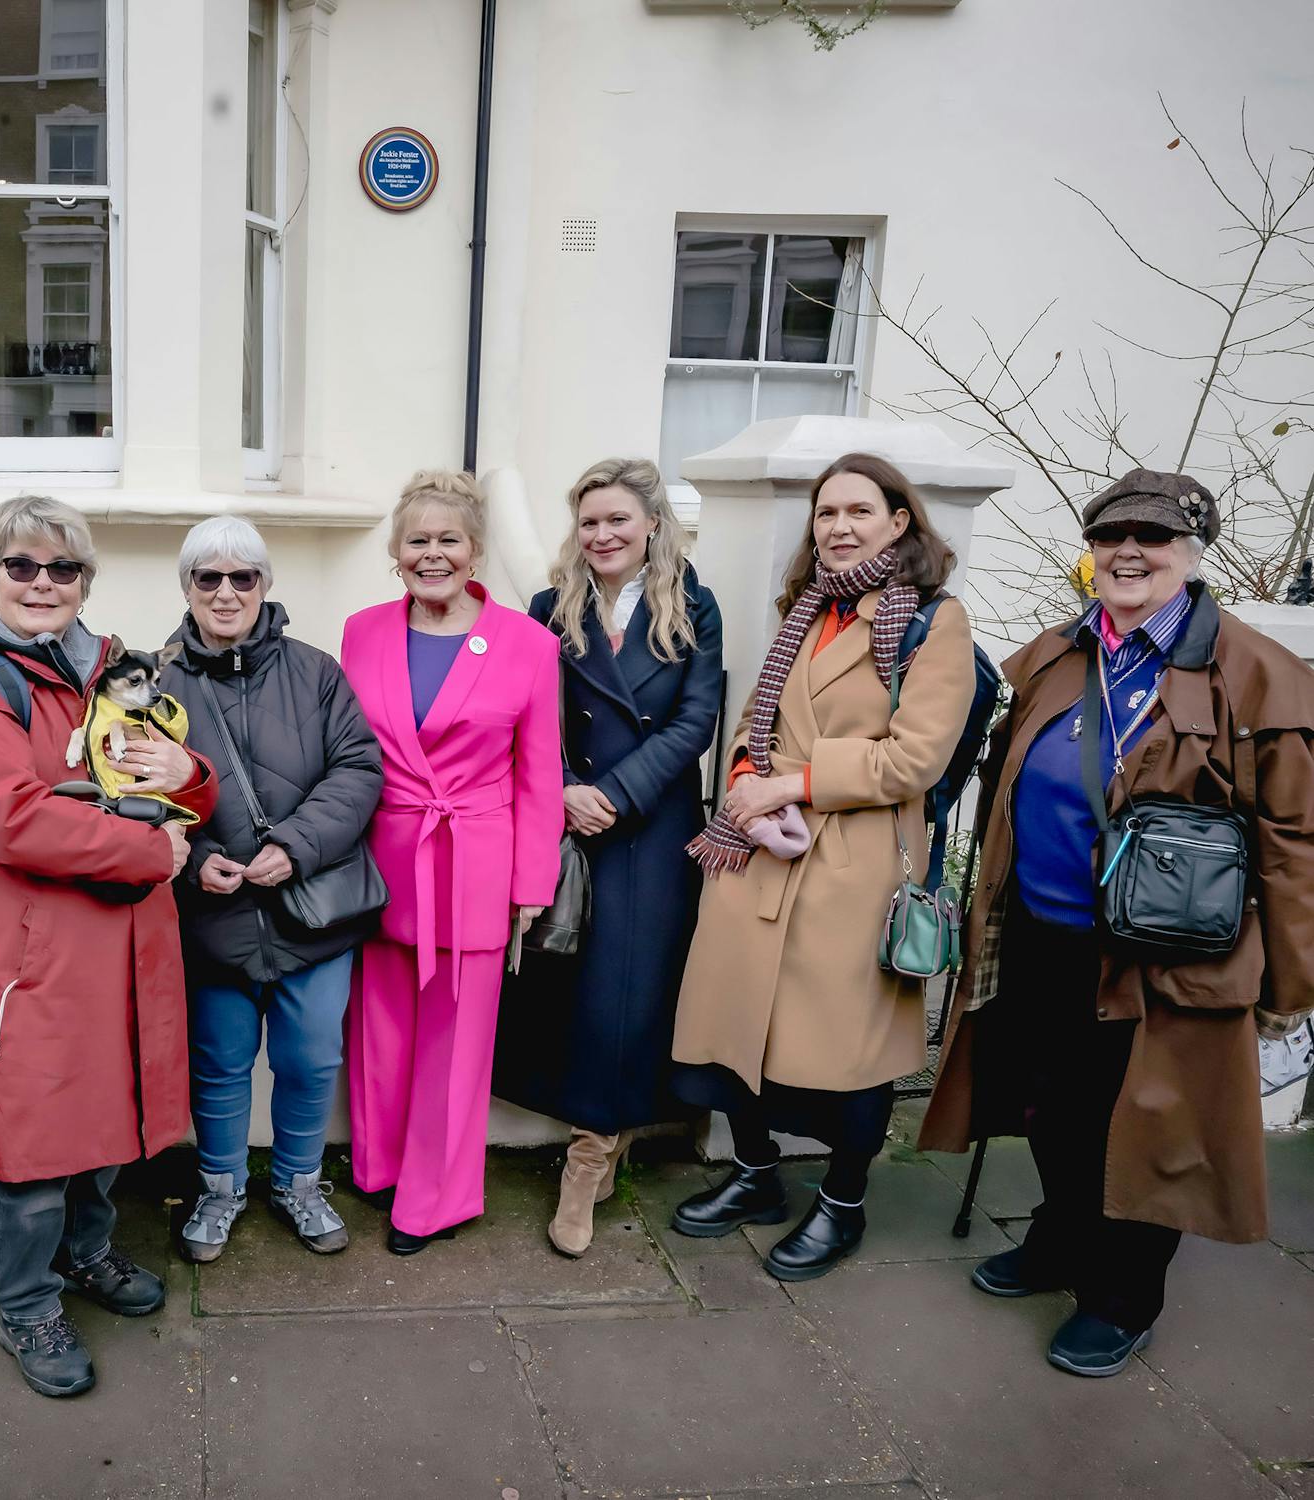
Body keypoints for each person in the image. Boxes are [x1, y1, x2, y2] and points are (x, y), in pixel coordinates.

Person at [920, 470, 1314, 1377]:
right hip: (1040, 932)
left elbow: (1294, 840)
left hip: (1163, 960)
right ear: (1088, 553)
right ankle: (1060, 1239)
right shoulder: (1059, 652)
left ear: (1191, 552)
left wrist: (1290, 984)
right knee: (1049, 1105)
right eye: (1109, 536)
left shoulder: (1257, 677)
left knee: (1146, 1125)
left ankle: (1124, 1296)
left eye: (1153, 536)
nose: (1128, 551)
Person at [0, 495, 217, 1397]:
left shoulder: (115, 669)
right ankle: (26, 1305)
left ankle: (87, 1255)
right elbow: (12, 819)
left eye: (63, 569)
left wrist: (189, 780)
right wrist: (151, 849)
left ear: (86, 580)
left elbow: (168, 785)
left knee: (109, 1127)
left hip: (125, 945)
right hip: (30, 955)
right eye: (21, 566)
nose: (43, 583)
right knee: (36, 1145)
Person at [669, 453, 973, 1282]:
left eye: (858, 512)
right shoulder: (804, 610)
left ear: (899, 521)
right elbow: (751, 727)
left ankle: (842, 1205)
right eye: (825, 513)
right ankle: (757, 1175)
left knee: (848, 1052)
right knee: (735, 1031)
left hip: (853, 866)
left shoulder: (932, 621)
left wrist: (791, 784)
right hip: (758, 854)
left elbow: (914, 759)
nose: (838, 528)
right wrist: (742, 784)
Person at [491, 458, 724, 1257]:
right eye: (589, 522)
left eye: (617, 520)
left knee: (631, 991)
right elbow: (522, 713)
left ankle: (589, 1158)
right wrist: (559, 786)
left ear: (651, 524)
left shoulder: (693, 603)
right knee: (569, 987)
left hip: (651, 824)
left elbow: (696, 720)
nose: (602, 535)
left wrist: (616, 793)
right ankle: (589, 1134)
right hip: (565, 819)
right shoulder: (548, 606)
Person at [339, 471, 564, 1254]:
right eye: (416, 541)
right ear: (395, 553)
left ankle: (433, 1199)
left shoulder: (529, 645)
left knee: (456, 1040)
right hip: (381, 859)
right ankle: (381, 1168)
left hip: (473, 862)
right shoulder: (362, 631)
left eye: (448, 540)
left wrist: (531, 885)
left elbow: (540, 773)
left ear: (473, 551)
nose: (431, 554)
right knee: (381, 1028)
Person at [162, 516, 384, 1262]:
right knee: (218, 1060)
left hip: (310, 909)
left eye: (242, 577)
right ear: (187, 587)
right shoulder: (155, 683)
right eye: (207, 578)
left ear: (264, 585)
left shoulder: (316, 670)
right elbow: (132, 790)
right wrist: (194, 864)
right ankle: (219, 1189)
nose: (225, 593)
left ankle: (298, 1181)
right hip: (212, 916)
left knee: (311, 1058)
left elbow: (357, 771)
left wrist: (295, 844)